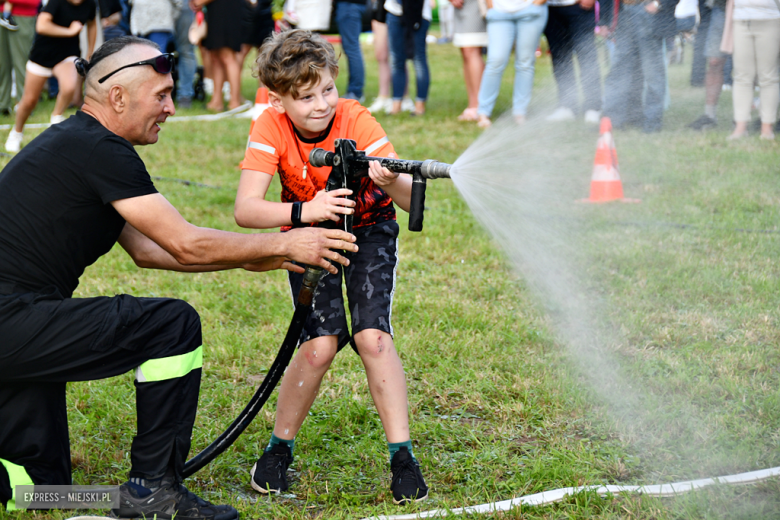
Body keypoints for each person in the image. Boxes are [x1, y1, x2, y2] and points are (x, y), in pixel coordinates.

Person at [0, 35, 358, 518]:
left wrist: (270, 256)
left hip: (18, 324)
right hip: (13, 320)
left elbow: (150, 250)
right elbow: (185, 243)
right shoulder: (99, 149)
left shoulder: (78, 144)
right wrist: (285, 240)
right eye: (161, 96)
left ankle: (114, 499)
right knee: (172, 326)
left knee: (39, 486)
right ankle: (155, 492)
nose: (171, 107)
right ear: (118, 97)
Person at [234, 29, 429, 505]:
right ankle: (278, 449)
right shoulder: (269, 127)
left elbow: (410, 204)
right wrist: (308, 211)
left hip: (369, 230)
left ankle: (402, 457)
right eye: (304, 98)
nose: (320, 104)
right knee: (319, 346)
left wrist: (389, 181)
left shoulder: (356, 118)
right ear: (278, 102)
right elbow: (247, 210)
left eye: (327, 90)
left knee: (372, 337)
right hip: (308, 233)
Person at [4, 0, 97, 153]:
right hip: (43, 55)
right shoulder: (56, 2)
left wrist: (91, 52)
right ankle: (16, 132)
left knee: (69, 87)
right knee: (29, 101)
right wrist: (70, 31)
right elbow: (41, 26)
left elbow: (92, 24)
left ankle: (56, 118)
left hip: (68, 53)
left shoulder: (90, 4)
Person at [599, 0, 680, 132]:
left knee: (653, 72)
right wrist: (603, 20)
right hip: (623, 12)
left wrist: (658, 4)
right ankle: (613, 120)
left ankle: (652, 123)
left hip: (649, 12)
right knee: (619, 71)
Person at [476, 0, 549, 127]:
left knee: (525, 63)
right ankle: (483, 112)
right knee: (495, 61)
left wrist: (537, 4)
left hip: (531, 11)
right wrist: (491, 6)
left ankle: (520, 112)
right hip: (499, 12)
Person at [726, 0, 780, 140]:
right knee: (742, 76)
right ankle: (740, 128)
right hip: (741, 18)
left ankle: (767, 128)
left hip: (771, 17)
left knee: (768, 76)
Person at [543, 0, 603, 124]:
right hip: (551, 7)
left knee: (586, 55)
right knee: (560, 57)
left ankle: (593, 107)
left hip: (579, 6)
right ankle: (567, 107)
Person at [191, 0, 245, 111]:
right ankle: (216, 101)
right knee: (214, 56)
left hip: (227, 11)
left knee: (228, 55)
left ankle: (234, 101)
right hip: (214, 10)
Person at [687, 0, 728, 130]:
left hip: (749, 11)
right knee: (714, 62)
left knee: (748, 67)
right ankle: (709, 116)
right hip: (721, 8)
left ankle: (748, 118)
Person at [385, 0, 431, 115]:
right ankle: (396, 103)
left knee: (418, 59)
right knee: (396, 59)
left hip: (419, 12)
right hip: (395, 10)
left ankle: (420, 105)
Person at [0, 0, 38, 117]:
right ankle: (3, 104)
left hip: (23, 14)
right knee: (2, 64)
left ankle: (25, 104)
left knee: (22, 63)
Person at [451, 0, 487, 122]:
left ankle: (479, 106)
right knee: (465, 52)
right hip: (460, 6)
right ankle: (472, 104)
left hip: (476, 4)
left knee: (471, 49)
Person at [335, 0, 367, 102]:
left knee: (352, 49)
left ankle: (355, 91)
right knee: (351, 48)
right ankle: (355, 90)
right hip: (352, 5)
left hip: (349, 5)